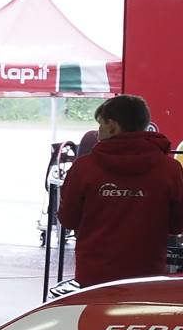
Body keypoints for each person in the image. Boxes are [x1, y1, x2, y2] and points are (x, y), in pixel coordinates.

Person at [58, 93, 183, 286]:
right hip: (146, 275)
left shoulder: (84, 167)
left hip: (93, 275)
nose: (97, 132)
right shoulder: (170, 169)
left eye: (100, 124)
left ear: (112, 125)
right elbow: (177, 225)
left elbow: (68, 219)